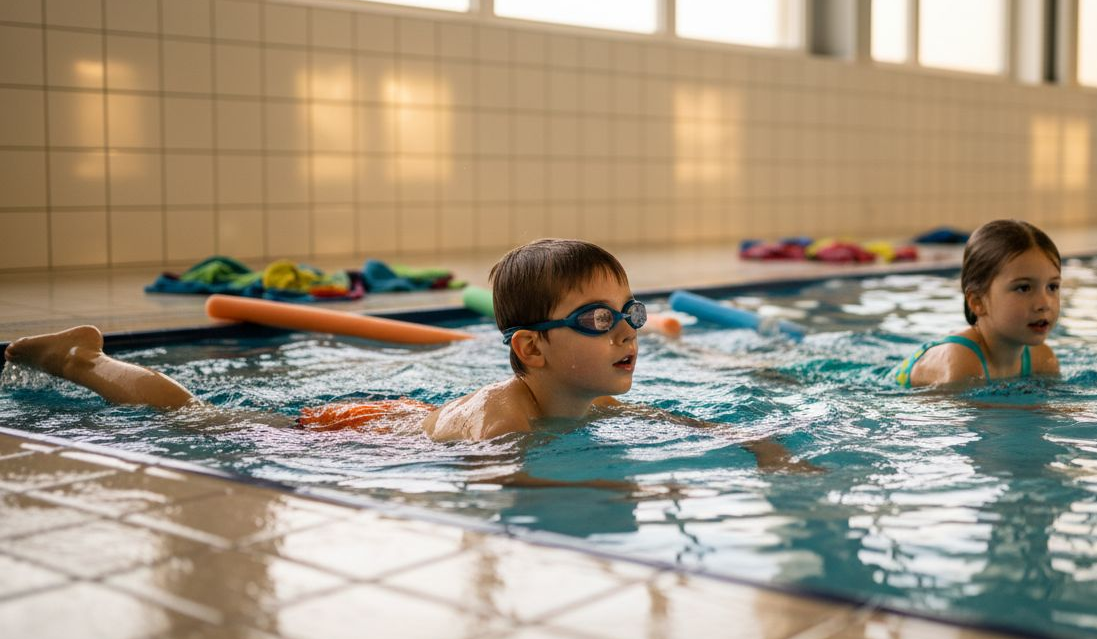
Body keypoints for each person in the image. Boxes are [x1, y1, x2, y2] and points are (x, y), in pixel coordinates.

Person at [4, 238, 812, 474]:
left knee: (205, 416)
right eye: (599, 319)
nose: (628, 332)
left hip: (397, 418)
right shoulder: (504, 409)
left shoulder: (581, 395)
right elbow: (502, 473)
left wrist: (748, 443)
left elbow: (647, 415)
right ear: (530, 349)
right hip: (343, 430)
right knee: (199, 420)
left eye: (628, 311)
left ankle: (84, 358)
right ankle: (84, 360)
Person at [890, 219, 1061, 388]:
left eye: (1052, 286)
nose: (1044, 303)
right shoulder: (961, 362)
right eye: (1023, 288)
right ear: (978, 301)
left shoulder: (1043, 359)